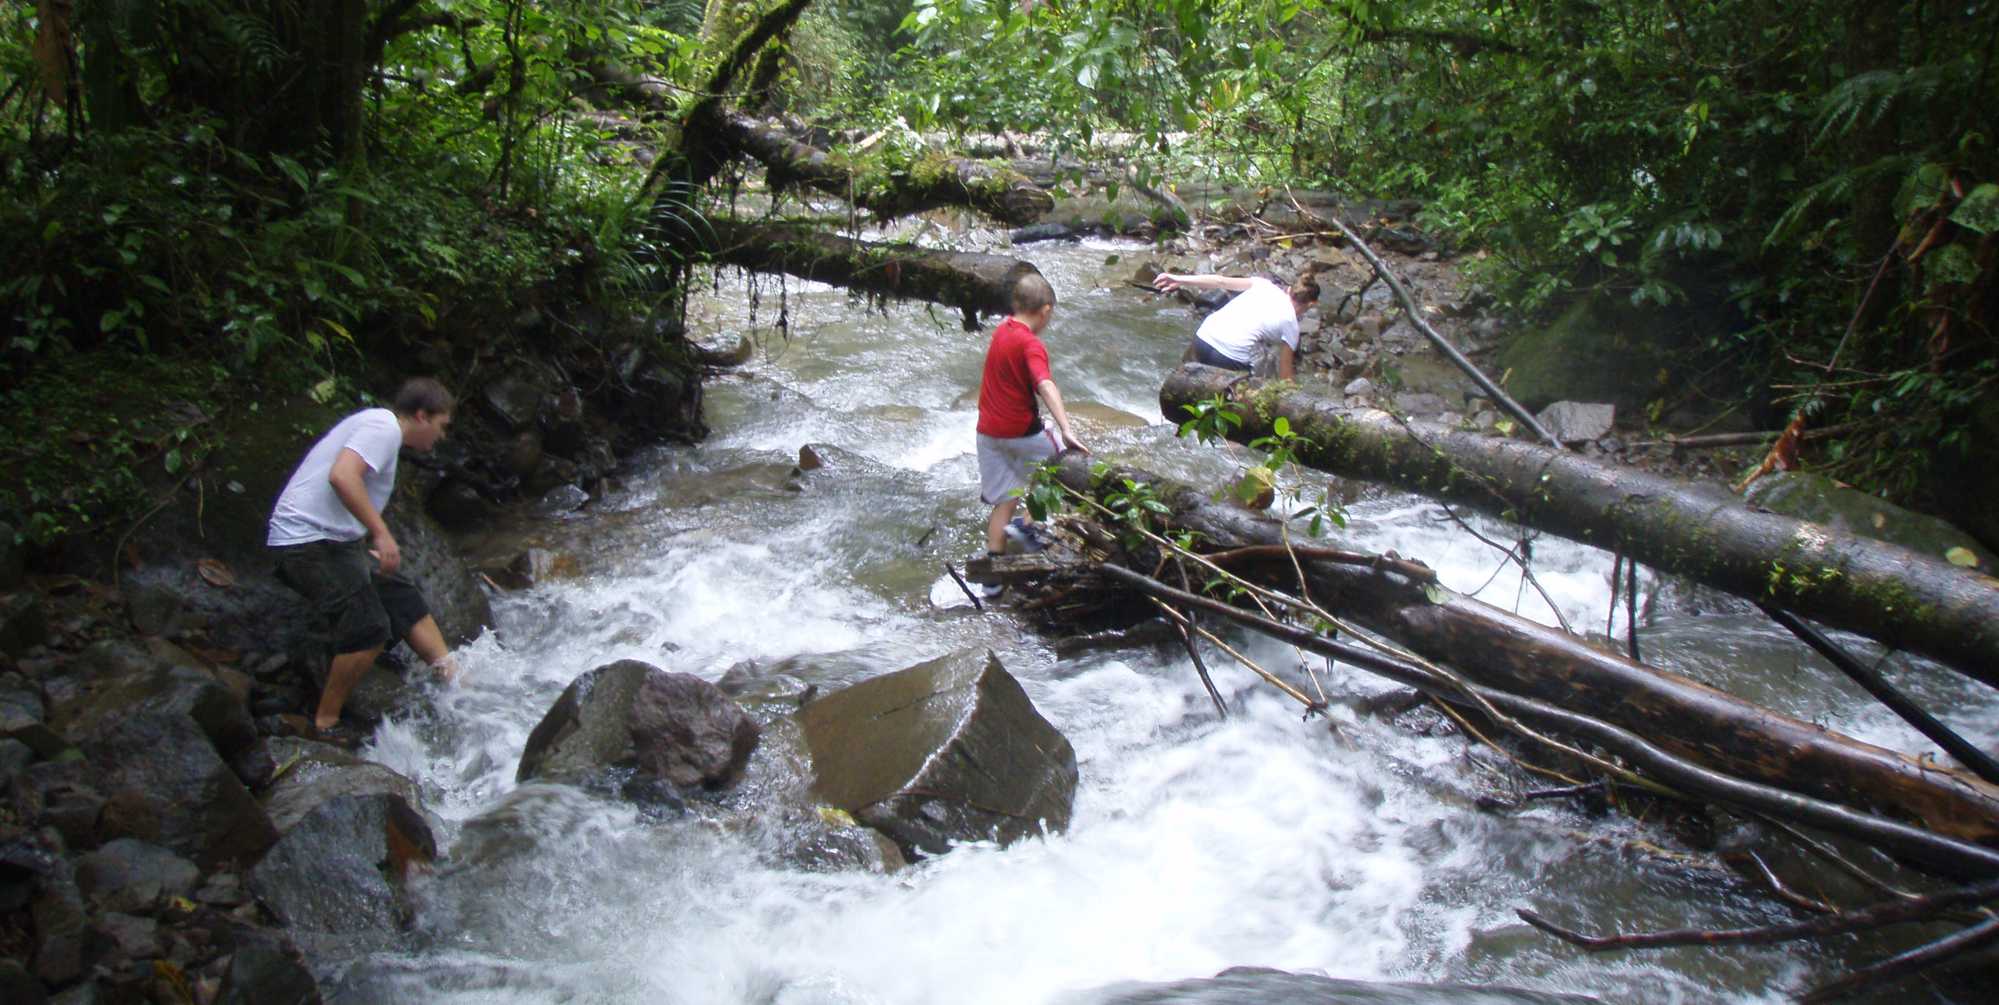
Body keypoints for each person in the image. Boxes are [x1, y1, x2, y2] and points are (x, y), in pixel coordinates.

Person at [267, 377, 461, 734]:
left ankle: (454, 681)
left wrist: (360, 535)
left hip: (331, 541)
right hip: (304, 543)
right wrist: (381, 532)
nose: (441, 437)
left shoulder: (381, 429)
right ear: (421, 416)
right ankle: (325, 721)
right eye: (441, 426)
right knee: (370, 629)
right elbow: (342, 476)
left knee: (399, 593)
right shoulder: (383, 427)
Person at [975, 272, 1089, 591]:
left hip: (987, 433)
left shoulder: (1001, 331)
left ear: (1015, 304)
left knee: (1005, 497)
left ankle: (993, 579)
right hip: (1021, 432)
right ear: (1046, 310)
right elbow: (1045, 384)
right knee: (1061, 467)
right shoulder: (1030, 344)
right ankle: (1028, 526)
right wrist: (1066, 429)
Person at [1153, 271, 1319, 379]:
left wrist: (1179, 279)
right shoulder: (1291, 325)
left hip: (1203, 339)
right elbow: (1285, 375)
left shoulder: (1263, 285)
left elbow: (1220, 281)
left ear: (1288, 290)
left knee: (1186, 383)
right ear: (1311, 304)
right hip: (1229, 358)